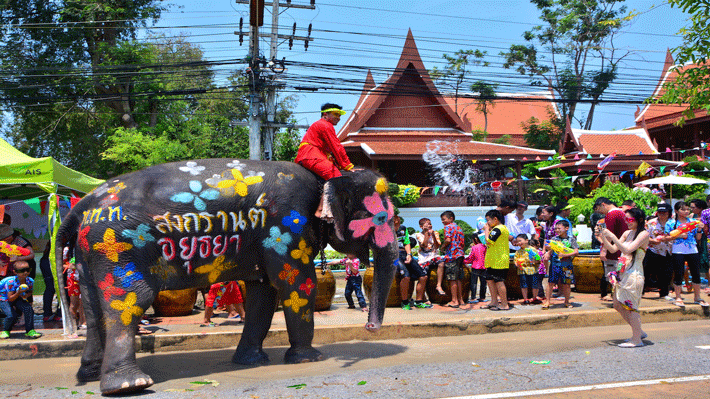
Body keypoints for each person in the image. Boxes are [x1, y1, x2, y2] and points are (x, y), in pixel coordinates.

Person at [596, 207, 649, 347]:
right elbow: (614, 249)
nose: (627, 222)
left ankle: (636, 339)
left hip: (634, 274)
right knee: (617, 304)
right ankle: (639, 332)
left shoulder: (643, 234)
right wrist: (603, 237)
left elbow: (627, 250)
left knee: (631, 306)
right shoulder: (626, 233)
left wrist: (612, 236)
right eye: (626, 219)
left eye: (630, 219)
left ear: (640, 220)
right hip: (622, 272)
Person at [294, 103, 355, 219]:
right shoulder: (325, 125)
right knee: (335, 175)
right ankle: (321, 210)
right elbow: (336, 147)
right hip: (311, 154)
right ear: (325, 115)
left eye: (339, 115)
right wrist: (348, 166)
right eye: (336, 114)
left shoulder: (322, 125)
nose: (339, 118)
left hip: (311, 154)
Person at [665, 201, 708, 307]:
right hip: (678, 250)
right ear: (676, 211)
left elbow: (698, 238)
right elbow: (666, 237)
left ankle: (697, 297)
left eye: (687, 209)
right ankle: (678, 297)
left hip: (692, 250)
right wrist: (678, 235)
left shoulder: (693, 222)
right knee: (678, 273)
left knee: (695, 273)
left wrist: (699, 229)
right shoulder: (671, 223)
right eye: (683, 209)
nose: (686, 211)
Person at [593, 197, 628, 301]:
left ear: (603, 205)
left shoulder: (611, 214)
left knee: (613, 276)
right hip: (623, 249)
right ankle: (619, 297)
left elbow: (608, 234)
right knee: (621, 274)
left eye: (599, 209)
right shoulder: (622, 213)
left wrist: (604, 250)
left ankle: (616, 298)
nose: (600, 212)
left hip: (613, 252)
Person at [0, 260, 42, 339]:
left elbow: (30, 292)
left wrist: (25, 295)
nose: (25, 272)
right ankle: (6, 331)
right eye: (22, 271)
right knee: (11, 315)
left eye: (28, 270)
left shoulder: (30, 281)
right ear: (15, 272)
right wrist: (19, 292)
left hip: (16, 296)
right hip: (3, 298)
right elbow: (10, 298)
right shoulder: (11, 282)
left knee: (29, 309)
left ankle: (30, 330)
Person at [393, 216, 428, 310]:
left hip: (405, 254)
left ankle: (419, 301)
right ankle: (405, 302)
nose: (396, 227)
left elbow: (407, 242)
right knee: (406, 276)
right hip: (393, 257)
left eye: (397, 224)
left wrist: (409, 254)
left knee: (423, 275)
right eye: (394, 225)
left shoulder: (403, 229)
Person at [543, 220, 578, 309]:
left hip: (567, 265)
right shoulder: (554, 239)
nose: (557, 230)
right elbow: (550, 248)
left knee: (567, 284)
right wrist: (548, 252)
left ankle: (566, 301)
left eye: (559, 228)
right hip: (555, 264)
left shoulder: (571, 239)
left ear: (566, 228)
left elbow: (576, 252)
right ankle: (547, 301)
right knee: (550, 282)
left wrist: (565, 255)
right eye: (556, 229)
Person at [483, 209, 510, 311]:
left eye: (488, 220)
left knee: (499, 281)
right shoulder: (497, 229)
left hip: (499, 260)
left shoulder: (498, 228)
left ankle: (504, 304)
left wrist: (486, 230)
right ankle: (494, 301)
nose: (487, 223)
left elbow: (489, 241)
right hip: (492, 260)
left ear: (495, 219)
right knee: (490, 280)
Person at [645, 203, 673, 300]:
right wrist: (653, 241)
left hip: (668, 251)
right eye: (660, 212)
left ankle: (664, 293)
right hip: (653, 250)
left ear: (669, 213)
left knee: (666, 273)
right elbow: (644, 236)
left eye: (664, 212)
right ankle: (640, 291)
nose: (662, 214)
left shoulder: (673, 223)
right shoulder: (651, 223)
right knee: (646, 271)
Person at [440, 210, 465, 308]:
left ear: (451, 219)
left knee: (452, 279)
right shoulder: (459, 228)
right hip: (460, 254)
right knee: (458, 278)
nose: (442, 221)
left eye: (443, 219)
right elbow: (462, 243)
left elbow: (448, 239)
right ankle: (460, 299)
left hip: (452, 255)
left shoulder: (447, 227)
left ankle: (454, 300)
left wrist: (442, 247)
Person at [412, 218, 440, 309]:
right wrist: (427, 235)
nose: (429, 226)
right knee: (423, 276)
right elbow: (424, 245)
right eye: (427, 224)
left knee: (442, 263)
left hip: (433, 256)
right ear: (421, 227)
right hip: (423, 259)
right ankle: (422, 297)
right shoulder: (418, 235)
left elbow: (437, 245)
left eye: (430, 224)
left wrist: (434, 236)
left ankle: (439, 285)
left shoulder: (435, 233)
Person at [514, 234, 540, 305]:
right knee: (524, 285)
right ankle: (525, 299)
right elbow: (515, 260)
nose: (519, 243)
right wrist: (517, 264)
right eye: (517, 241)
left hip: (533, 270)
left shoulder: (533, 250)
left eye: (520, 241)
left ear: (526, 240)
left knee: (535, 285)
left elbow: (538, 259)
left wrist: (535, 261)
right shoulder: (518, 252)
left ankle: (534, 297)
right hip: (522, 270)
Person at [63, 249, 86, 329]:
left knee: (84, 301)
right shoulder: (67, 249)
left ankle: (84, 322)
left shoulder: (85, 245)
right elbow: (61, 264)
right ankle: (73, 324)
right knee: (74, 304)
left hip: (85, 277)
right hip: (72, 279)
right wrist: (70, 266)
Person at [38, 242, 61, 322]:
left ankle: (49, 314)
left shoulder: (53, 239)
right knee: (56, 287)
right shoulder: (60, 238)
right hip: (51, 262)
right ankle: (57, 314)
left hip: (47, 261)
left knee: (50, 288)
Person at [689, 199, 709, 282]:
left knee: (706, 260)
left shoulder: (706, 216)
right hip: (694, 241)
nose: (691, 209)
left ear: (700, 208)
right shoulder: (691, 216)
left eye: (693, 207)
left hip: (704, 239)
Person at [463, 234, 487, 304]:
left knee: (473, 283)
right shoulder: (485, 247)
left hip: (475, 267)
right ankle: (482, 297)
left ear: (475, 239)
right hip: (484, 267)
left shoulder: (474, 247)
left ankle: (473, 297)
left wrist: (464, 261)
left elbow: (471, 257)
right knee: (483, 283)